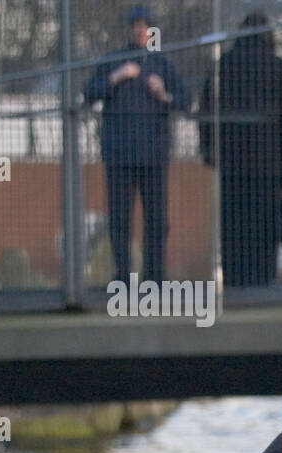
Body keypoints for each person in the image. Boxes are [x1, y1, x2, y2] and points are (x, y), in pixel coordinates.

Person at [84, 4, 190, 284]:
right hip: (119, 156)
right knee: (120, 220)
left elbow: (184, 99)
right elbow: (89, 93)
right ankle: (122, 277)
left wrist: (163, 94)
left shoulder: (162, 64)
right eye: (135, 25)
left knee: (156, 221)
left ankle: (154, 278)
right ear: (129, 29)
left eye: (144, 26)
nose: (139, 30)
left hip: (154, 155)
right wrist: (116, 77)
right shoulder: (113, 60)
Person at [199, 11, 282, 287]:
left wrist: (208, 149)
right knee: (265, 221)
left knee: (234, 221)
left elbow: (207, 110)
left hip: (232, 161)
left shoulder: (224, 66)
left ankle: (235, 276)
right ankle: (264, 275)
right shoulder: (278, 67)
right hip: (270, 162)